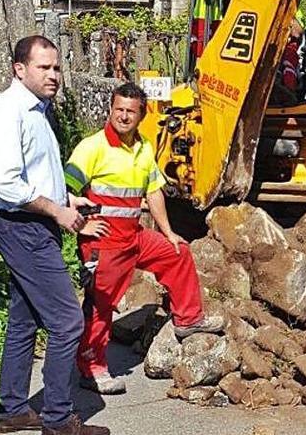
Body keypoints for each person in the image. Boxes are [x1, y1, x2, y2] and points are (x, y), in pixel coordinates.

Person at [0, 35, 108, 435]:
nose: (54, 75)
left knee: (25, 318)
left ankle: (14, 409)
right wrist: (59, 212)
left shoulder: (38, 110)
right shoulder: (6, 112)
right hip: (22, 227)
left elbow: (34, 173)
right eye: (44, 68)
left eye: (56, 67)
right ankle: (57, 419)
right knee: (68, 321)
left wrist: (68, 197)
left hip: (35, 223)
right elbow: (6, 184)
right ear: (20, 69)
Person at [64, 82, 225, 395]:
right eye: (118, 109)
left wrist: (168, 232)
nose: (123, 116)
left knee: (177, 253)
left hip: (134, 237)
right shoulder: (92, 147)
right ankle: (92, 368)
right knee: (101, 306)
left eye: (130, 111)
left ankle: (188, 319)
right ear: (110, 110)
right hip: (105, 244)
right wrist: (79, 226)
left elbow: (153, 192)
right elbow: (64, 190)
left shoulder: (144, 147)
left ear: (141, 115)